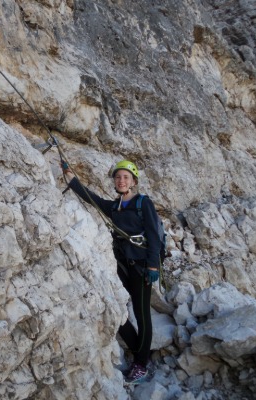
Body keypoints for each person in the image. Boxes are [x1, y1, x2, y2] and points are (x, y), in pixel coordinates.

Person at [60, 159, 161, 385]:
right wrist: (70, 178)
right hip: (124, 266)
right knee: (116, 308)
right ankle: (139, 352)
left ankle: (141, 365)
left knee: (142, 314)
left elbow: (154, 234)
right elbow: (92, 199)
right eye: (118, 177)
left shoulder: (143, 203)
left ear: (133, 181)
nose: (121, 180)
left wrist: (153, 266)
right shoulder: (115, 207)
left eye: (126, 177)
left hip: (143, 267)